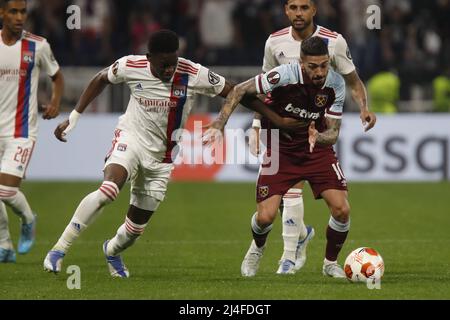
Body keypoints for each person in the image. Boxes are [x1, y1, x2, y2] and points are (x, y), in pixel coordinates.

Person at [43, 30, 303, 277]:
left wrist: (275, 119)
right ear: (149, 59)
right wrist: (74, 118)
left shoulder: (192, 73)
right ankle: (59, 249)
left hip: (162, 158)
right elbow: (101, 78)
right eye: (163, 64)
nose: (170, 69)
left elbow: (237, 92)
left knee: (134, 231)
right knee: (109, 190)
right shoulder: (130, 66)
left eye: (173, 62)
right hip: (131, 139)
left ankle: (111, 251)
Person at [205, 36, 350, 278]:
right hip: (281, 150)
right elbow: (240, 90)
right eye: (313, 66)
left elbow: (333, 132)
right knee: (265, 217)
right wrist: (220, 123)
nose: (320, 72)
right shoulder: (284, 75)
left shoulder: (336, 84)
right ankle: (257, 248)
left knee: (342, 210)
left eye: (324, 65)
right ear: (302, 63)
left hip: (316, 151)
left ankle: (330, 264)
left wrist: (318, 137)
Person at [248, 0, 376, 274]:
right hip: (281, 133)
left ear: (314, 10)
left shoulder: (335, 42)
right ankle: (288, 256)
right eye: (293, 7)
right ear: (285, 10)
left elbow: (352, 81)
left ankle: (315, 259)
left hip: (315, 130)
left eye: (304, 7)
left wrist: (364, 107)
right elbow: (263, 89)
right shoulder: (274, 42)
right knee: (284, 198)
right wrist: (256, 125)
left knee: (340, 209)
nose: (298, 13)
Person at [0, 0, 64, 263]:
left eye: (23, 11)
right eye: (13, 11)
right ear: (1, 13)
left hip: (22, 131)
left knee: (4, 191)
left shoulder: (38, 45)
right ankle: (4, 245)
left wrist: (56, 103)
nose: (19, 17)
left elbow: (57, 76)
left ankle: (28, 219)